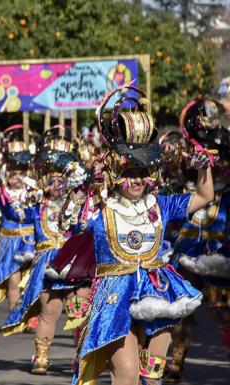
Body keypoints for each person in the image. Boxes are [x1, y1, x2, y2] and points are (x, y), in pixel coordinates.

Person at [62, 86, 210, 385]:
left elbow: (205, 195)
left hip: (157, 292)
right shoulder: (101, 208)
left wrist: (204, 167)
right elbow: (72, 224)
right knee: (127, 375)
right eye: (129, 172)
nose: (136, 180)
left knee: (152, 375)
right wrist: (83, 189)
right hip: (114, 298)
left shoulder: (162, 204)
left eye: (141, 172)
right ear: (116, 171)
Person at [0, 125, 90, 375]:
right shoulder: (35, 205)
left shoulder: (80, 203)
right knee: (49, 313)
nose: (57, 182)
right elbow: (11, 211)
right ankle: (41, 357)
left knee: (79, 313)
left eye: (62, 178)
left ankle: (81, 359)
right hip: (48, 264)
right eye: (52, 178)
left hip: (75, 261)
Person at [165, 98, 230, 382]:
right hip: (188, 249)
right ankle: (175, 364)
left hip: (221, 253)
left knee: (224, 313)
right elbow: (171, 164)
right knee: (182, 310)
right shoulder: (189, 167)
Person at [0, 124, 38, 311]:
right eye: (13, 174)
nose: (18, 177)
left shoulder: (35, 191)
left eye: (21, 173)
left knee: (32, 276)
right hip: (10, 241)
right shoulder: (3, 192)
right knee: (13, 277)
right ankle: (14, 309)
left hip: (32, 240)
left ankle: (28, 311)